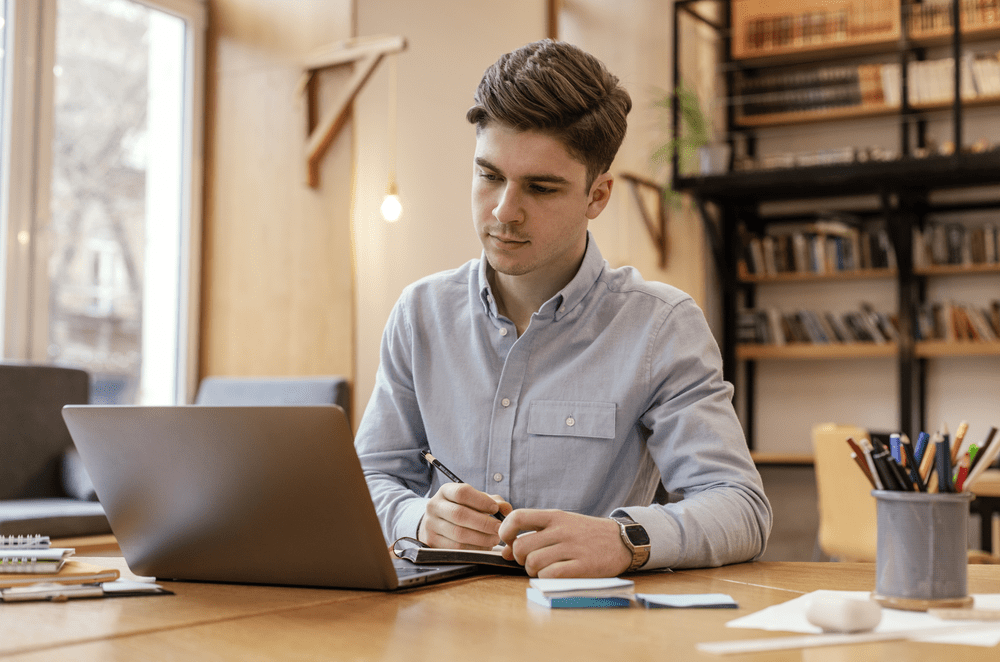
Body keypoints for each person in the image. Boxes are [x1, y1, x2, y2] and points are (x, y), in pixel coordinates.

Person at [354, 39, 771, 578]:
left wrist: (626, 539)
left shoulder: (661, 326)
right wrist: (418, 518)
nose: (505, 211)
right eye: (489, 175)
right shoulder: (420, 313)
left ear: (597, 196)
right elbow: (368, 478)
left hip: (584, 628)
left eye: (541, 188)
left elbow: (741, 505)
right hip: (433, 624)